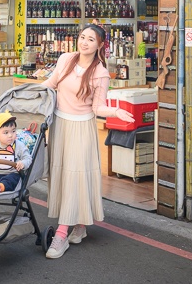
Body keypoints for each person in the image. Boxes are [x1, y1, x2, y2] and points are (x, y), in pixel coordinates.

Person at [41, 23, 134, 259]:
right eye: (82, 37)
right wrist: (26, 100)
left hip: (82, 127)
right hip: (59, 125)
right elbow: (49, 86)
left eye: (91, 39)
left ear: (100, 45)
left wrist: (116, 112)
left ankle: (61, 234)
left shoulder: (100, 72)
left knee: (75, 176)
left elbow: (98, 107)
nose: (84, 42)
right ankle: (80, 225)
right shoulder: (65, 59)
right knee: (63, 176)